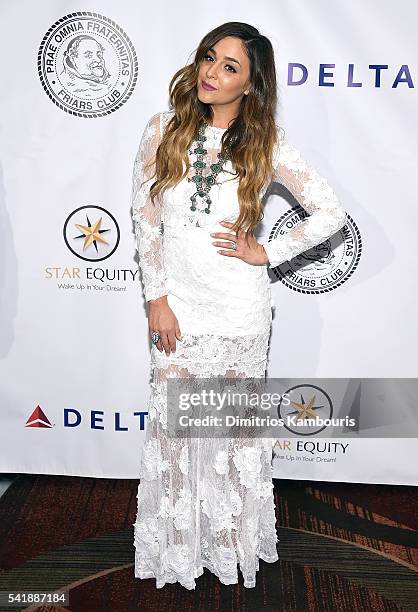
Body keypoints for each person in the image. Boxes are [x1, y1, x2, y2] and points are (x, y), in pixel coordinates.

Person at [131, 22, 347, 590]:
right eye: (209, 57)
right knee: (177, 434)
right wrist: (157, 300)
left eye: (230, 67)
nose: (212, 72)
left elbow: (329, 213)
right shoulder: (162, 131)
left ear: (251, 85)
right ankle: (178, 555)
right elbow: (145, 222)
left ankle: (230, 553)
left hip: (239, 314)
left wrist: (268, 251)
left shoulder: (266, 145)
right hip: (178, 308)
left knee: (230, 437)